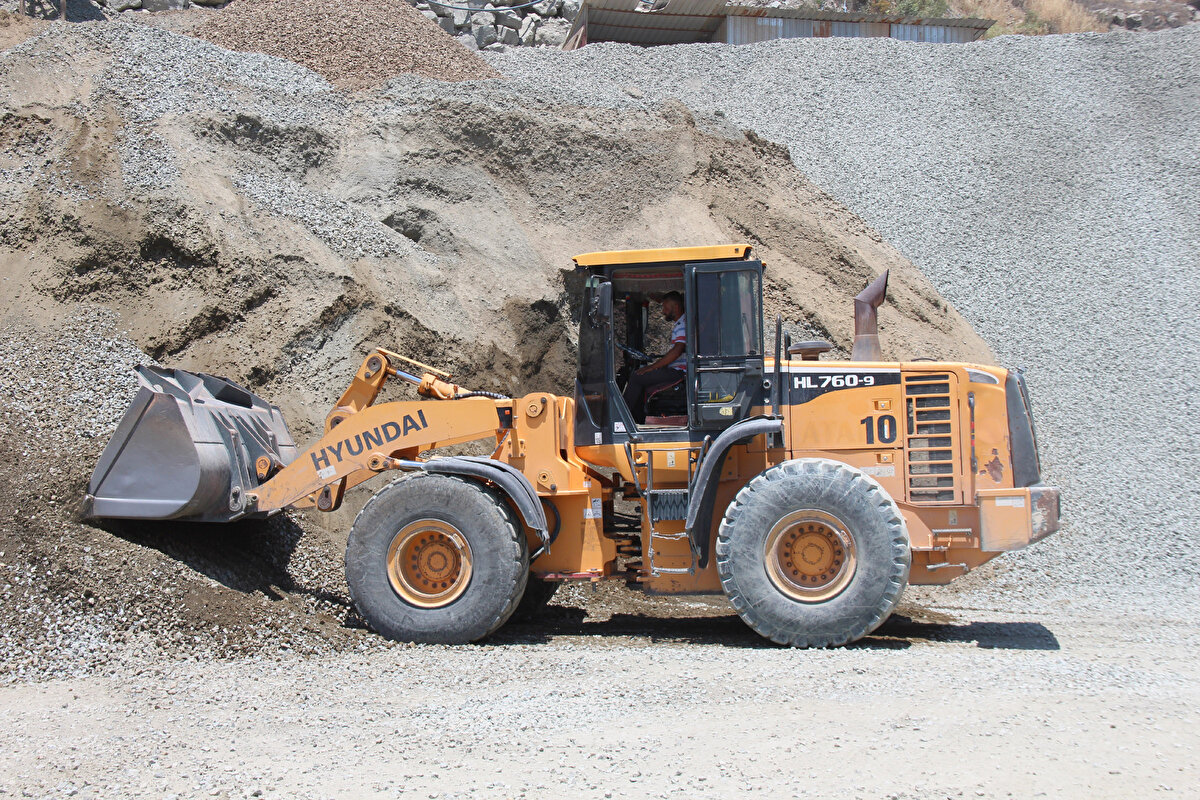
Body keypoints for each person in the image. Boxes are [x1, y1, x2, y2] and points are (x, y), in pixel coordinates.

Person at [622, 291, 686, 424]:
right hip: (677, 369)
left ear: (676, 307)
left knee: (637, 376)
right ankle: (638, 418)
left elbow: (677, 351)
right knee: (642, 376)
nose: (663, 311)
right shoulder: (681, 323)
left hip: (678, 372)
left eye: (665, 307)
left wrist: (652, 368)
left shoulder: (683, 325)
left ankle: (621, 419)